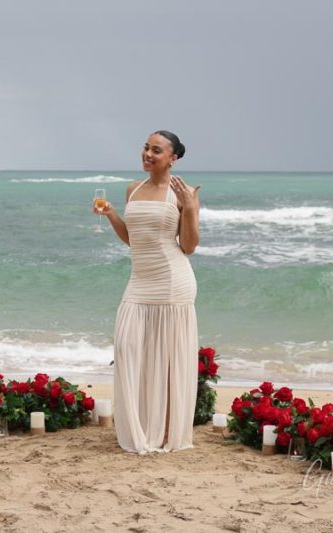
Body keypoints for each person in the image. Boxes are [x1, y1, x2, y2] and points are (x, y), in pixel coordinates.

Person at [96, 130, 200, 453]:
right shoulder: (133, 189)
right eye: (145, 147)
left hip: (172, 283)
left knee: (168, 360)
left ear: (173, 158)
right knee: (127, 348)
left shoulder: (180, 193)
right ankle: (140, 427)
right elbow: (133, 238)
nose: (147, 154)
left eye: (156, 150)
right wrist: (112, 213)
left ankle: (167, 431)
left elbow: (189, 246)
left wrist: (190, 209)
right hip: (139, 281)